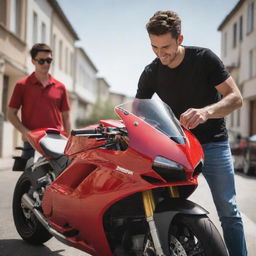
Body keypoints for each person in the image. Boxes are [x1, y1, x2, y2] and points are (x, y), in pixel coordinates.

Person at [136, 10, 247, 256]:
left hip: (214, 145)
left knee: (229, 211)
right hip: (177, 148)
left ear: (180, 39)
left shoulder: (204, 59)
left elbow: (236, 98)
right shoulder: (151, 72)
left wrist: (206, 112)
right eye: (154, 47)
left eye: (165, 46)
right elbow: (138, 114)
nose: (160, 53)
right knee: (163, 207)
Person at [7, 43, 71, 159]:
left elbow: (66, 117)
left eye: (49, 60)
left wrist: (70, 142)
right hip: (31, 142)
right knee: (29, 177)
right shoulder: (22, 85)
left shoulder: (60, 87)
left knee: (56, 177)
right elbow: (11, 114)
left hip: (56, 141)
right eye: (42, 61)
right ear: (33, 61)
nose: (46, 64)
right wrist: (26, 133)